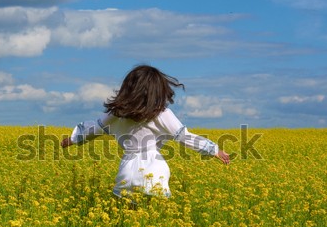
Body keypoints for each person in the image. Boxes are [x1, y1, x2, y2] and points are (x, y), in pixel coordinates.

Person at [61, 65, 230, 197]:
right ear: (158, 91)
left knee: (126, 217)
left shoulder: (118, 113)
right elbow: (183, 136)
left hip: (127, 171)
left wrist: (73, 139)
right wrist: (213, 149)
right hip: (154, 171)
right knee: (153, 216)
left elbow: (95, 128)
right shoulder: (162, 113)